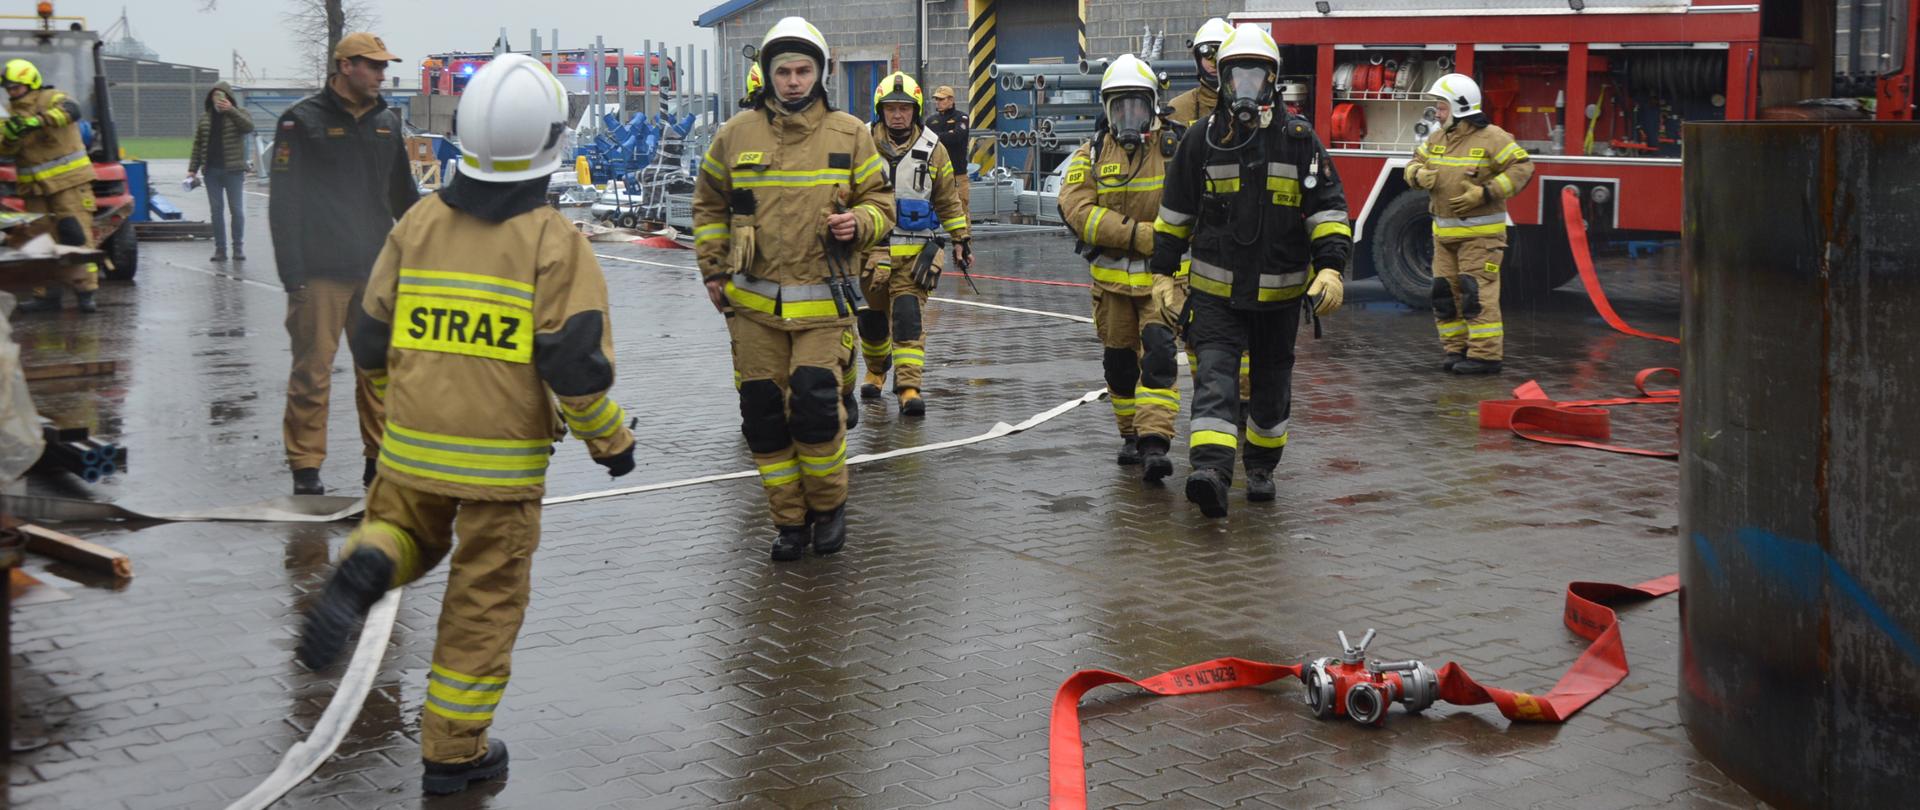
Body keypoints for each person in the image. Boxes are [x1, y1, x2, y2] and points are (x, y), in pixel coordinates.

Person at [295, 53, 636, 795]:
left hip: (410, 450)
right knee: (482, 606)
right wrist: (613, 443)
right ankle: (454, 755)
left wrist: (396, 404)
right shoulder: (555, 242)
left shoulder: (420, 221)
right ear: (550, 145)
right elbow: (576, 369)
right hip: (501, 473)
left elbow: (371, 336)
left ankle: (370, 561)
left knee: (403, 535)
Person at [691, 17, 894, 561]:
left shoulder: (850, 134)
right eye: (784, 71)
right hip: (753, 309)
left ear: (821, 74)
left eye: (804, 70)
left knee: (815, 408)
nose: (794, 81)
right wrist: (713, 270)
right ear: (768, 75)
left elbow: (882, 203)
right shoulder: (735, 135)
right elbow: (709, 205)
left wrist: (862, 223)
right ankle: (789, 520)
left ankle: (828, 508)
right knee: (761, 413)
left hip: (823, 305)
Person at [1151, 24, 1352, 517]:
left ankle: (1260, 467)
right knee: (1215, 381)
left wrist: (1330, 269)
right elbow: (1174, 216)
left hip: (1280, 300)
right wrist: (1163, 275)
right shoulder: (1201, 141)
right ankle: (1212, 473)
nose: (1245, 87)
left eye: (1255, 75)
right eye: (1235, 75)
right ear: (1222, 79)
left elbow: (1328, 209)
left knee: (1270, 391)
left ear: (1272, 80)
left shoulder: (1299, 140)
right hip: (1215, 295)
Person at [269, 32, 420, 496]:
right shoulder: (301, 122)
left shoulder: (387, 123)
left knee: (379, 372)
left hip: (375, 270)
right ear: (345, 66)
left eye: (383, 66)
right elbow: (284, 202)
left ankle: (378, 462)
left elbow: (403, 196)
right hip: (319, 272)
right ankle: (306, 466)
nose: (382, 74)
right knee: (312, 374)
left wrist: (422, 253)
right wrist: (291, 272)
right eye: (374, 66)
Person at [1058, 54, 1187, 477]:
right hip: (1110, 287)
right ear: (1107, 108)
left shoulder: (1179, 148)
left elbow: (1196, 205)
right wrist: (1139, 235)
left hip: (1161, 283)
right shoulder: (1092, 152)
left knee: (1159, 358)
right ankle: (1130, 435)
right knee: (1118, 365)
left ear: (1153, 105)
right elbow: (1076, 208)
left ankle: (1155, 443)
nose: (1128, 115)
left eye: (1136, 105)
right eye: (1119, 106)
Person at [1404, 73, 1534, 375]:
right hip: (1443, 235)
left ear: (1461, 106)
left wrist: (1485, 193)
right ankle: (1456, 350)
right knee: (1444, 295)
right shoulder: (1438, 138)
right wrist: (1417, 176)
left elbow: (1523, 167)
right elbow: (1413, 164)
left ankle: (1486, 357)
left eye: (1442, 106)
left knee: (1475, 294)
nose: (1437, 113)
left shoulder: (1493, 137)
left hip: (1481, 238)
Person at [858, 71, 970, 416]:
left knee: (908, 318)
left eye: (904, 108)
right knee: (873, 321)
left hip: (914, 256)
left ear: (915, 110)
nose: (897, 114)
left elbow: (948, 199)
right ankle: (876, 370)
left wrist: (961, 239)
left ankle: (908, 387)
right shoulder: (860, 143)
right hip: (870, 255)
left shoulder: (932, 148)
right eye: (890, 108)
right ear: (881, 110)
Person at [4, 58, 100, 315]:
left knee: (77, 237)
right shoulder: (10, 115)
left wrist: (39, 121)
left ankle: (86, 293)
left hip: (69, 185)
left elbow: (71, 110)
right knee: (40, 242)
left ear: (30, 82)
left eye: (16, 88)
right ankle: (47, 295)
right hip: (34, 191)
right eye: (9, 89)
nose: (12, 93)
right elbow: (5, 149)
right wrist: (11, 137)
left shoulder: (51, 98)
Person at [187, 82, 255, 262]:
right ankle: (220, 249)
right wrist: (192, 170)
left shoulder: (239, 114)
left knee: (237, 210)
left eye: (222, 95)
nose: (218, 98)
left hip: (233, 170)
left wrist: (231, 110)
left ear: (229, 97)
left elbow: (248, 127)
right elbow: (198, 145)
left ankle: (238, 248)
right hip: (211, 172)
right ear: (210, 97)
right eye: (215, 95)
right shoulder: (205, 118)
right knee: (216, 211)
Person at [1168, 18, 1233, 128]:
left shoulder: (1247, 108)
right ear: (1198, 59)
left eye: (1219, 54)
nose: (1213, 63)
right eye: (1207, 57)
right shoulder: (1179, 108)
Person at [924, 85, 971, 213]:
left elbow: (956, 137)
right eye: (936, 99)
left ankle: (964, 233)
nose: (938, 102)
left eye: (941, 99)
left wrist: (936, 137)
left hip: (957, 174)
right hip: (936, 175)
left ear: (951, 100)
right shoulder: (931, 121)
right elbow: (924, 140)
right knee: (933, 210)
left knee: (961, 209)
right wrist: (945, 135)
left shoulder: (961, 118)